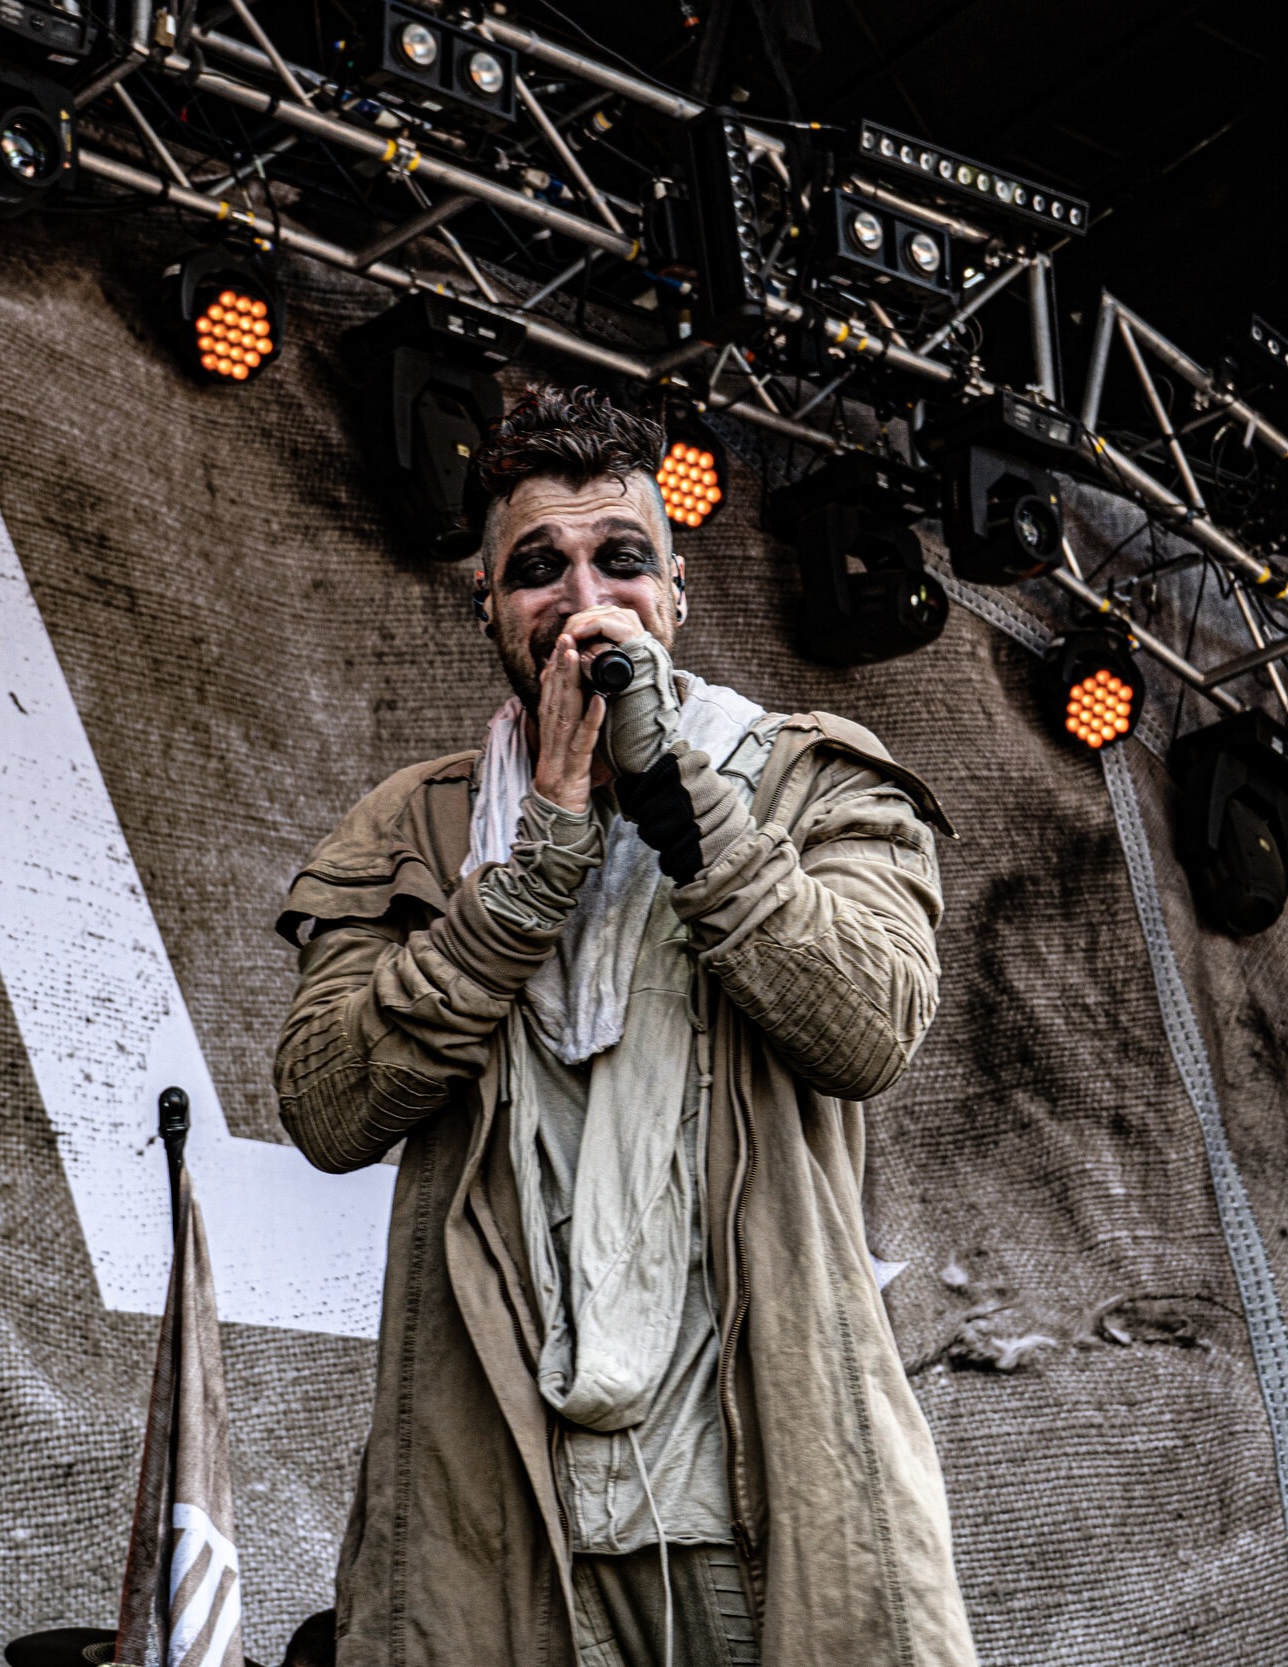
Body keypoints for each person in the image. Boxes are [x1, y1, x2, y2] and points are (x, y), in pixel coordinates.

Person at [273, 386, 974, 1667]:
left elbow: (868, 1028)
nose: (581, 594)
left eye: (620, 558)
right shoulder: (413, 826)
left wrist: (675, 794)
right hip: (494, 1515)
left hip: (755, 1499)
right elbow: (326, 1105)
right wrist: (536, 861)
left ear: (676, 593)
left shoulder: (807, 776)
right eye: (537, 567)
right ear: (485, 602)